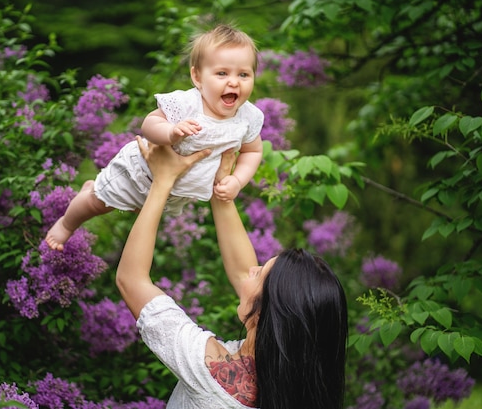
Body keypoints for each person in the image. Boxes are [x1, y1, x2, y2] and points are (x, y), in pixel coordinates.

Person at [116, 137, 349, 409]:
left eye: (259, 273)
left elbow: (131, 280)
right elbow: (242, 274)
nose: (251, 269)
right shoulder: (298, 385)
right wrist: (221, 187)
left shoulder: (205, 369)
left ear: (265, 313)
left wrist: (163, 181)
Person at [46, 23, 264, 251]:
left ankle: (101, 196)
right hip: (137, 173)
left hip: (170, 191)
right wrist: (170, 132)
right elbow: (149, 124)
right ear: (197, 77)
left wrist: (237, 180)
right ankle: (66, 224)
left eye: (243, 74)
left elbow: (252, 151)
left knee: (140, 214)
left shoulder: (247, 116)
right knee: (96, 203)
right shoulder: (186, 104)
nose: (233, 81)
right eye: (222, 73)